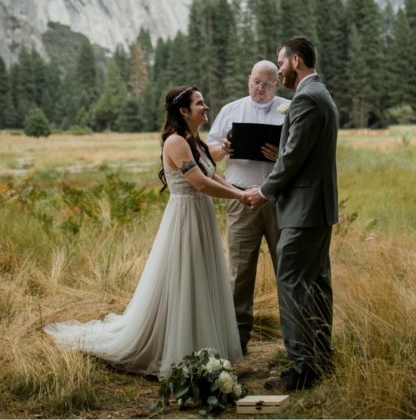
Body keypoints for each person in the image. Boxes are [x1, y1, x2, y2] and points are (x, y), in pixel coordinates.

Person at [44, 86, 253, 377]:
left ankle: (202, 347)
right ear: (183, 111)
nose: (205, 107)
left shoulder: (195, 141)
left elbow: (212, 175)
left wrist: (242, 190)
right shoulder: (176, 142)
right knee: (184, 280)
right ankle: (177, 351)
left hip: (201, 216)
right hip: (184, 219)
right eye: (199, 103)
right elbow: (201, 184)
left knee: (201, 279)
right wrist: (242, 198)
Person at [244, 36, 339, 392]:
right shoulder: (321, 95)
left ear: (295, 60)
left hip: (303, 210)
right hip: (317, 208)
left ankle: (303, 368)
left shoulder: (307, 99)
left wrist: (264, 192)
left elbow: (293, 156)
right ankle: (320, 357)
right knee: (316, 285)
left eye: (280, 63)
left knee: (293, 283)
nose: (279, 69)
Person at [205, 60, 288, 356]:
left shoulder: (289, 109)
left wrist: (281, 154)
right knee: (240, 272)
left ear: (276, 84)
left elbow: (300, 153)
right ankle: (237, 341)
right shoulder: (231, 110)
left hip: (278, 198)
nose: (260, 88)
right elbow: (208, 152)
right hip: (240, 198)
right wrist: (223, 148)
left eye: (267, 84)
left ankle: (292, 339)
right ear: (247, 80)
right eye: (256, 82)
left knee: (286, 268)